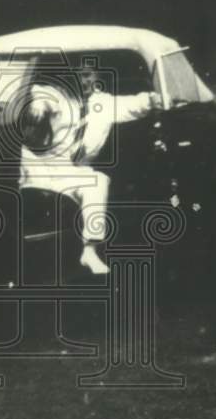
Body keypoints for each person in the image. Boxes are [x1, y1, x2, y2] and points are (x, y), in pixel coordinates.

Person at [18, 66, 161, 274]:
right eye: (78, 75)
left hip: (72, 171)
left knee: (98, 181)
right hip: (38, 167)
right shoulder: (55, 94)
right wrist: (36, 106)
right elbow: (38, 97)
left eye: (87, 75)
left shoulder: (104, 103)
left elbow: (135, 104)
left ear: (97, 76)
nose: (83, 81)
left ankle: (89, 250)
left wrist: (154, 99)